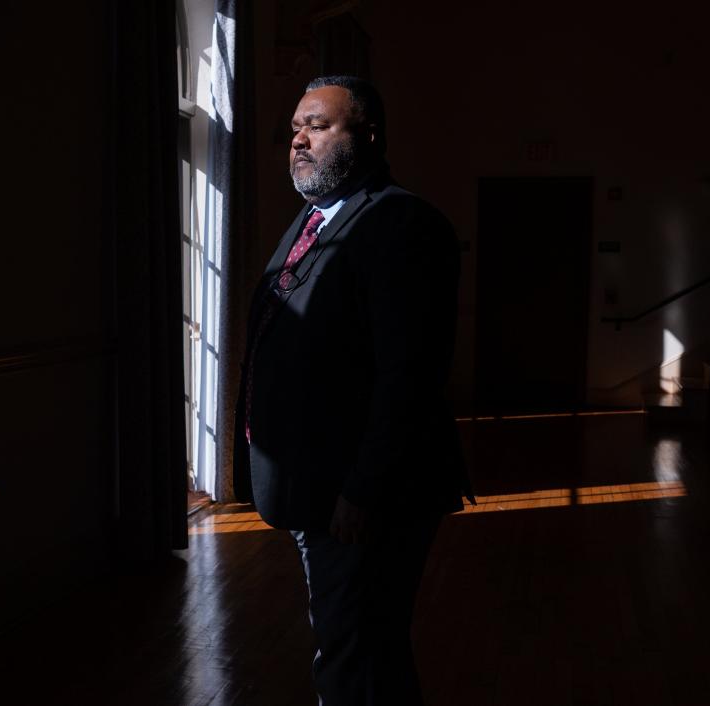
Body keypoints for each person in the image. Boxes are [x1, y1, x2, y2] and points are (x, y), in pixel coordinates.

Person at [233, 75, 473, 705]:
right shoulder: (314, 219)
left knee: (353, 651)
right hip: (320, 489)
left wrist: (362, 490)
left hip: (364, 496)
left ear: (368, 135)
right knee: (361, 647)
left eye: (317, 125)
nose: (298, 140)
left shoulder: (401, 224)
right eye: (293, 129)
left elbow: (410, 376)